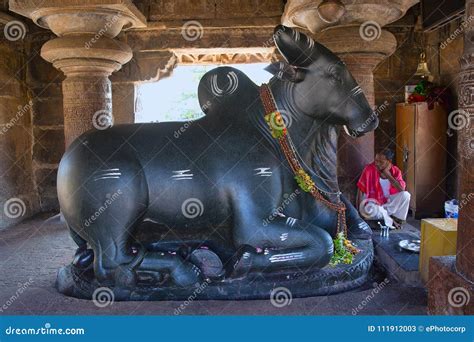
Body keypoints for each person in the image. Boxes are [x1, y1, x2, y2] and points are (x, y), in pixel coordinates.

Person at [356, 149, 411, 229]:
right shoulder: (369, 169)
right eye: (376, 161)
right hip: (374, 205)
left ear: (389, 161)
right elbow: (360, 190)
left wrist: (388, 175)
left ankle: (395, 219)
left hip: (387, 205)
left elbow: (401, 189)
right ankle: (389, 221)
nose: (377, 164)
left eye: (381, 162)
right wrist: (359, 213)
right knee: (373, 209)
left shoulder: (395, 171)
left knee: (406, 195)